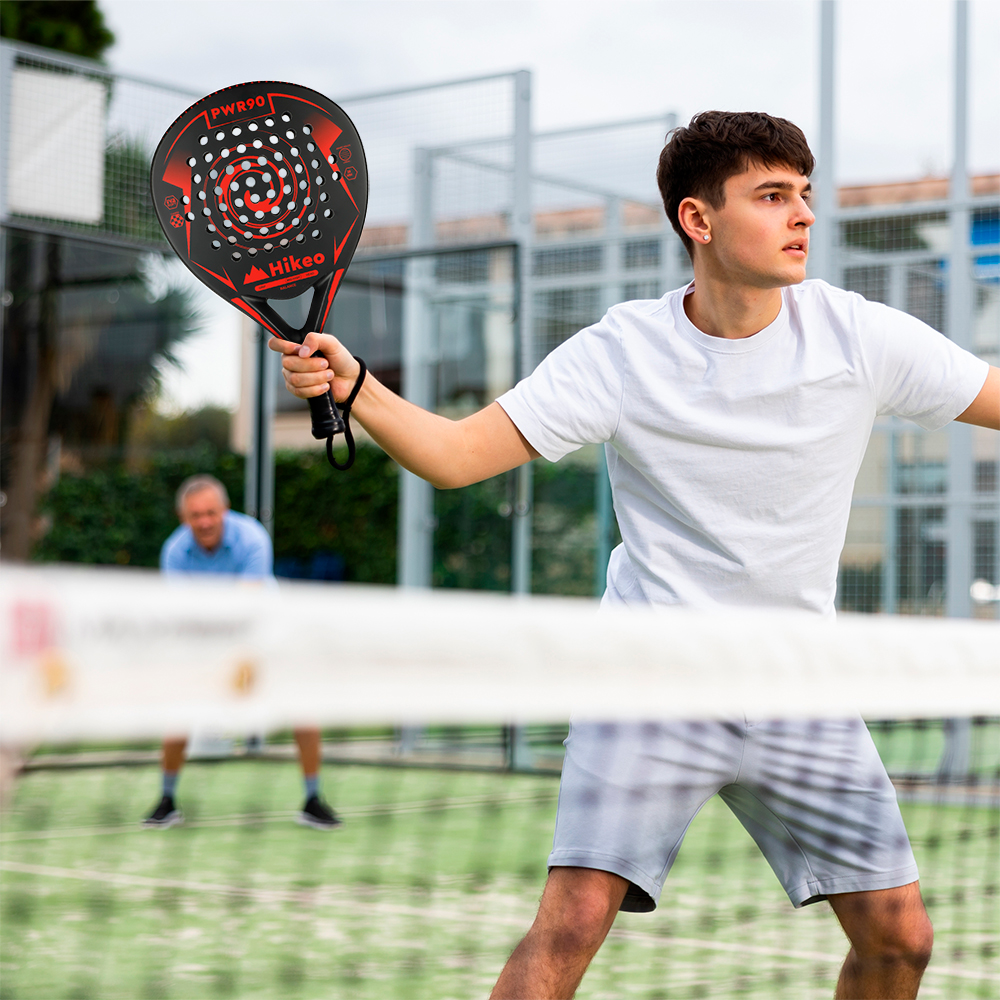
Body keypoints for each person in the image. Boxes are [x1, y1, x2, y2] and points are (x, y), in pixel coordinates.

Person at [270, 112, 999, 999]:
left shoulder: (860, 337)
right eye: (772, 196)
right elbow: (458, 456)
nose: (802, 215)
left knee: (902, 940)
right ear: (699, 219)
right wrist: (356, 386)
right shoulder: (622, 352)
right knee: (571, 922)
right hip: (649, 682)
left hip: (801, 687)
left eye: (804, 195)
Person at [141, 474, 341, 831]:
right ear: (183, 518)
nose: (203, 521)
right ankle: (166, 800)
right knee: (178, 713)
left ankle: (313, 800)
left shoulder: (252, 538)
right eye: (194, 515)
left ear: (225, 511)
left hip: (269, 633)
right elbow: (182, 615)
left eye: (210, 513)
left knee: (304, 708)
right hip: (205, 638)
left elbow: (246, 608)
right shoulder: (174, 552)